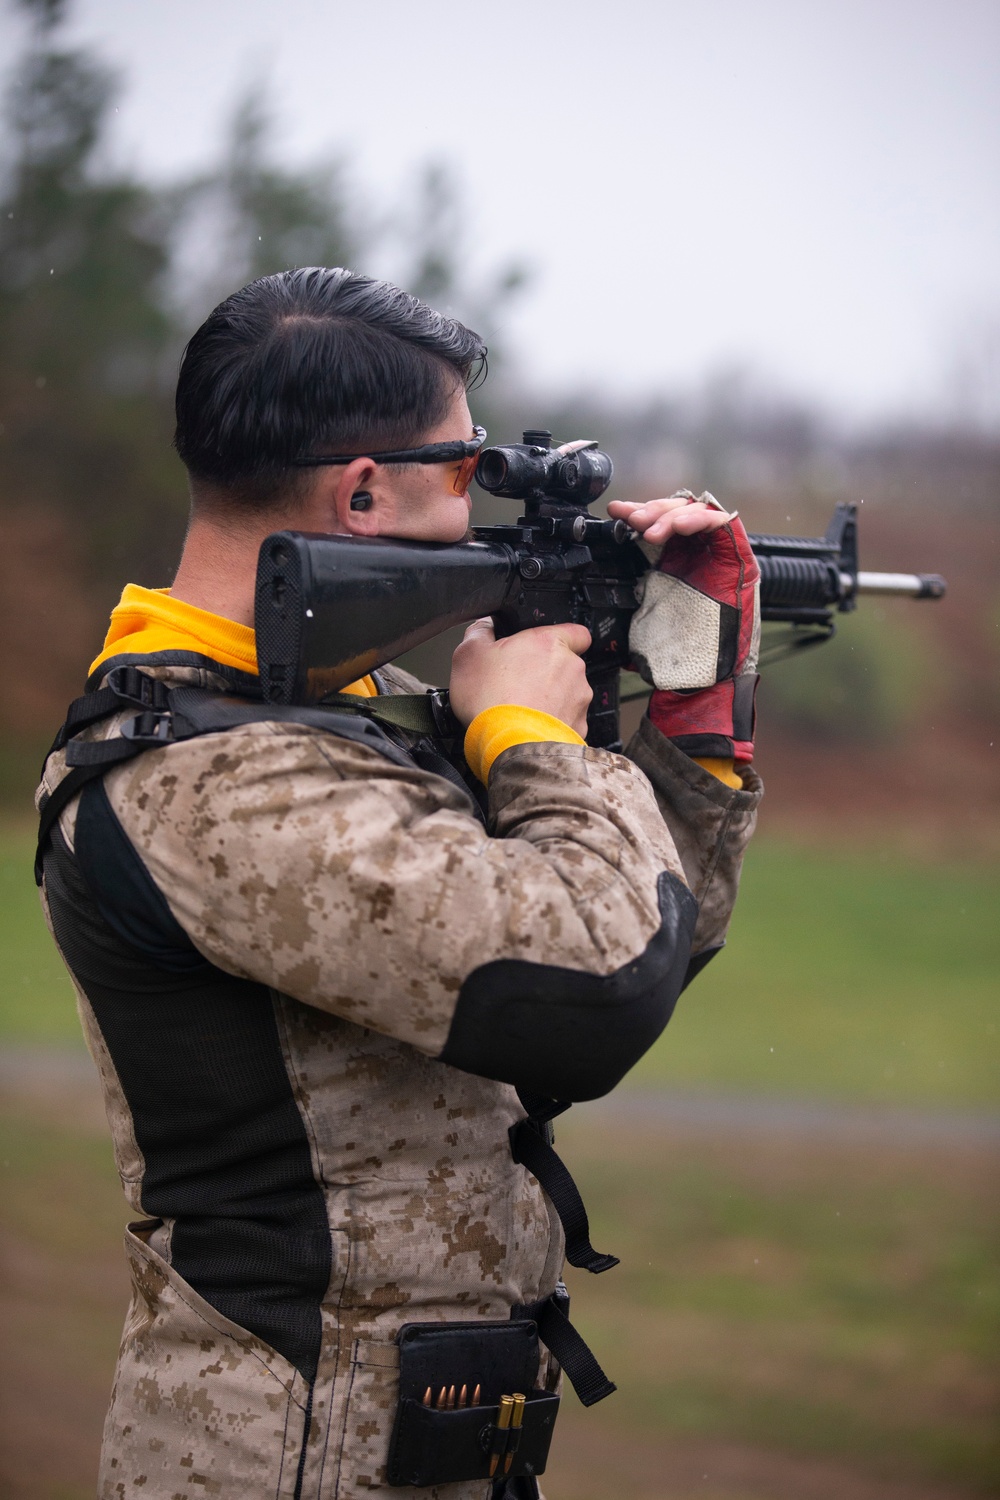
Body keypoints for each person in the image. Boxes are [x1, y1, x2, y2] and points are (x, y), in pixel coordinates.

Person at [35, 267, 762, 1499]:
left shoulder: (342, 721)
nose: (481, 499)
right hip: (276, 1463)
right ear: (362, 489)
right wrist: (528, 740)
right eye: (467, 465)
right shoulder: (214, 780)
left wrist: (691, 700)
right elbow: (587, 992)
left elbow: (643, 926)